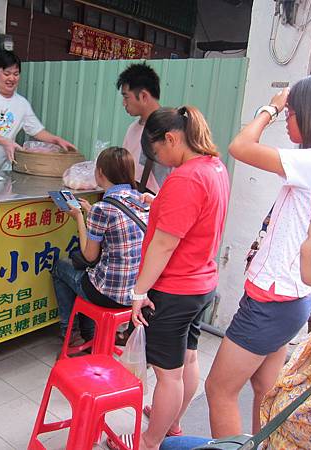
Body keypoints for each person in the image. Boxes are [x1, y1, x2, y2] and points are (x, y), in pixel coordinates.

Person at [205, 73, 311, 438]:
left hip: (272, 299)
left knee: (219, 390)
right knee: (266, 389)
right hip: (290, 297)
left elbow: (240, 146)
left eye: (291, 113)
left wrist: (270, 108)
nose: (287, 119)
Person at [160, 190, 311, 450]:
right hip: (285, 307)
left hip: (269, 305)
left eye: (309, 234)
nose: (301, 245)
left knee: (220, 389)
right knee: (266, 387)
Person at [107, 106, 230, 450]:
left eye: (157, 151)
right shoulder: (214, 167)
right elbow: (197, 214)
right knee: (188, 358)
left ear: (172, 139)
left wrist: (138, 292)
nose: (159, 159)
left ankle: (148, 442)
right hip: (201, 283)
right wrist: (160, 201)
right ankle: (172, 422)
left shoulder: (186, 178)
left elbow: (163, 245)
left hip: (175, 288)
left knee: (167, 374)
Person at [51, 147, 144, 342]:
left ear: (100, 172)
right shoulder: (141, 200)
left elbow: (89, 256)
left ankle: (71, 332)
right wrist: (91, 211)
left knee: (60, 267)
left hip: (109, 295)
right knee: (88, 275)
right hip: (136, 293)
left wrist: (79, 216)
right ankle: (89, 331)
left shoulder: (102, 209)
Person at [0, 50, 75, 173]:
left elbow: (37, 131)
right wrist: (5, 142)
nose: (12, 78)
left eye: (16, 74)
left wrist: (56, 140)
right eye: (7, 73)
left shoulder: (22, 103)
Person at [117, 63, 171, 193]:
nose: (124, 103)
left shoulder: (170, 129)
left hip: (160, 201)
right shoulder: (132, 129)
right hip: (134, 199)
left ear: (143, 96)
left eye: (126, 97)